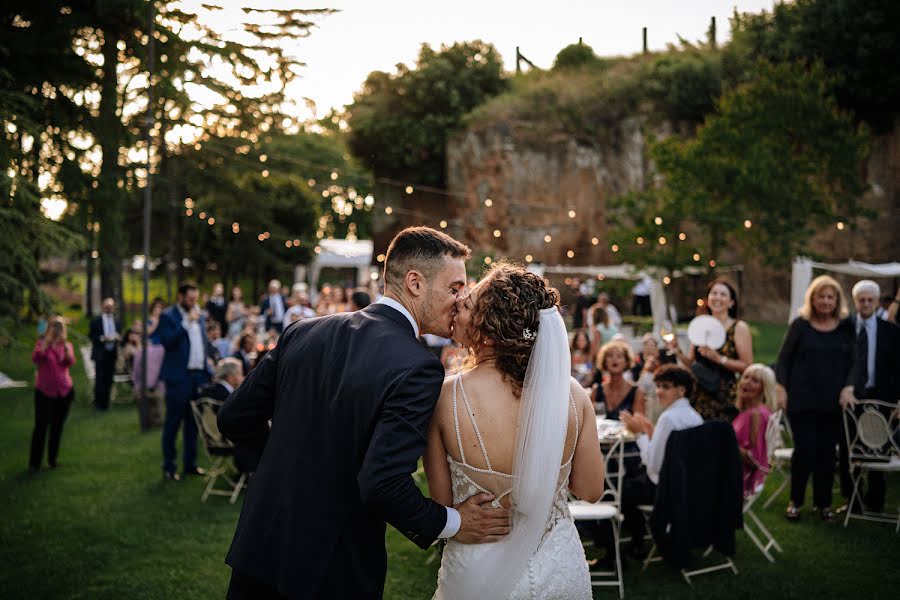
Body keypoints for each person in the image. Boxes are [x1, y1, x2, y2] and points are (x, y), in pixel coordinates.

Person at [217, 226, 509, 599]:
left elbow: (233, 417)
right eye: (454, 288)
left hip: (262, 546)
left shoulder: (304, 332)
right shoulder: (418, 366)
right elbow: (382, 482)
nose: (460, 299)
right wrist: (454, 522)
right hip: (334, 566)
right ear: (415, 283)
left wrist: (287, 459)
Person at [426, 262, 603, 599]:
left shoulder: (444, 397)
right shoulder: (573, 395)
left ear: (488, 332)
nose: (460, 303)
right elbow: (591, 489)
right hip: (557, 564)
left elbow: (442, 502)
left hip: (479, 564)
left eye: (469, 303)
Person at [775, 275, 857, 522]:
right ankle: (796, 502)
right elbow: (783, 360)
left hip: (833, 402)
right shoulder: (800, 324)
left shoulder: (845, 326)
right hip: (801, 401)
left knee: (827, 455)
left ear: (837, 300)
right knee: (805, 451)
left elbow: (855, 361)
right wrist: (780, 388)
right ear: (813, 298)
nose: (825, 301)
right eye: (821, 296)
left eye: (830, 297)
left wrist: (849, 387)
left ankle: (824, 505)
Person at [620, 365, 704, 556]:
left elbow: (653, 465)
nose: (658, 391)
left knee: (621, 490)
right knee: (632, 477)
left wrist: (639, 433)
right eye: (657, 386)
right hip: (689, 485)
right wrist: (652, 434)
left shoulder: (668, 418)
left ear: (681, 390)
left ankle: (638, 541)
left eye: (665, 387)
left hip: (665, 489)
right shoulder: (694, 416)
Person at [838, 280, 900, 514]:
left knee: (879, 448)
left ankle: (876, 502)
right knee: (847, 449)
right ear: (855, 302)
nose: (865, 304)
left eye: (869, 300)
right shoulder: (844, 328)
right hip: (851, 397)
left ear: (876, 302)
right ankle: (853, 501)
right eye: (861, 300)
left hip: (881, 397)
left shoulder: (891, 332)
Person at [666, 278, 753, 421]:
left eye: (723, 294)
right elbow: (691, 364)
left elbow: (747, 366)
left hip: (724, 397)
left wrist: (719, 359)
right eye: (714, 293)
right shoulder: (700, 325)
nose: (718, 297)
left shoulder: (738, 328)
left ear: (731, 302)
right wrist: (678, 352)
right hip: (698, 395)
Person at [157, 282, 210, 481]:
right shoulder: (168, 316)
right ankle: (169, 466)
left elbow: (202, 342)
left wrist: (207, 367)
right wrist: (186, 323)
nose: (194, 302)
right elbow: (167, 342)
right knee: (173, 423)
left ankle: (190, 464)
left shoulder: (199, 315)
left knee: (193, 424)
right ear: (180, 297)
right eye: (190, 299)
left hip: (198, 376)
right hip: (179, 378)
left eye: (195, 299)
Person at [29, 317, 76, 472]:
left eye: (59, 328)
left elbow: (70, 362)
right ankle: (35, 463)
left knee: (57, 427)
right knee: (41, 427)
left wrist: (67, 351)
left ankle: (52, 460)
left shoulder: (66, 345)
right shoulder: (42, 344)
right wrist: (46, 344)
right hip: (44, 391)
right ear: (48, 329)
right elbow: (36, 359)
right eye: (53, 327)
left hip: (64, 391)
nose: (56, 331)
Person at [731, 364, 776, 497]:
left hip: (743, 477)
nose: (747, 383)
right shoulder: (753, 411)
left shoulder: (756, 415)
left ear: (764, 388)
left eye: (755, 381)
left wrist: (724, 442)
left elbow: (754, 459)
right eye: (745, 377)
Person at [591, 339, 646, 420]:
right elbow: (589, 420)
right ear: (605, 362)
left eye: (619, 356)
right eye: (610, 356)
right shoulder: (596, 390)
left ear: (626, 362)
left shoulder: (637, 392)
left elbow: (639, 426)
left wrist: (631, 421)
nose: (614, 359)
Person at [628, 334, 676, 423]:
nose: (649, 348)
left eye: (652, 345)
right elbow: (635, 384)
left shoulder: (662, 360)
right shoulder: (637, 363)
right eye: (647, 345)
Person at [89, 297, 121, 411]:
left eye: (111, 307)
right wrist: (103, 338)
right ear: (103, 307)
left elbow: (119, 334)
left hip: (112, 353)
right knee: (100, 379)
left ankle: (106, 402)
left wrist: (117, 337)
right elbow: (92, 336)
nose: (109, 309)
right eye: (107, 307)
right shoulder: (96, 321)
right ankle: (98, 403)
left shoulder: (117, 321)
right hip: (100, 353)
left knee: (109, 379)